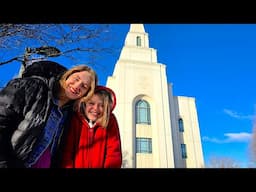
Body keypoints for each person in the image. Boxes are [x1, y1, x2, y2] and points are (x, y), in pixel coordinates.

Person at [0, 60, 97, 168]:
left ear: (86, 94)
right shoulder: (32, 87)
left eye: (84, 86)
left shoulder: (68, 115)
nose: (78, 85)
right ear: (67, 75)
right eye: (76, 79)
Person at [60, 85, 122, 168]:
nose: (96, 108)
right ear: (84, 104)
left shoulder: (110, 121)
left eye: (102, 105)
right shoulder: (75, 120)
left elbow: (113, 153)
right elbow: (67, 151)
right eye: (91, 103)